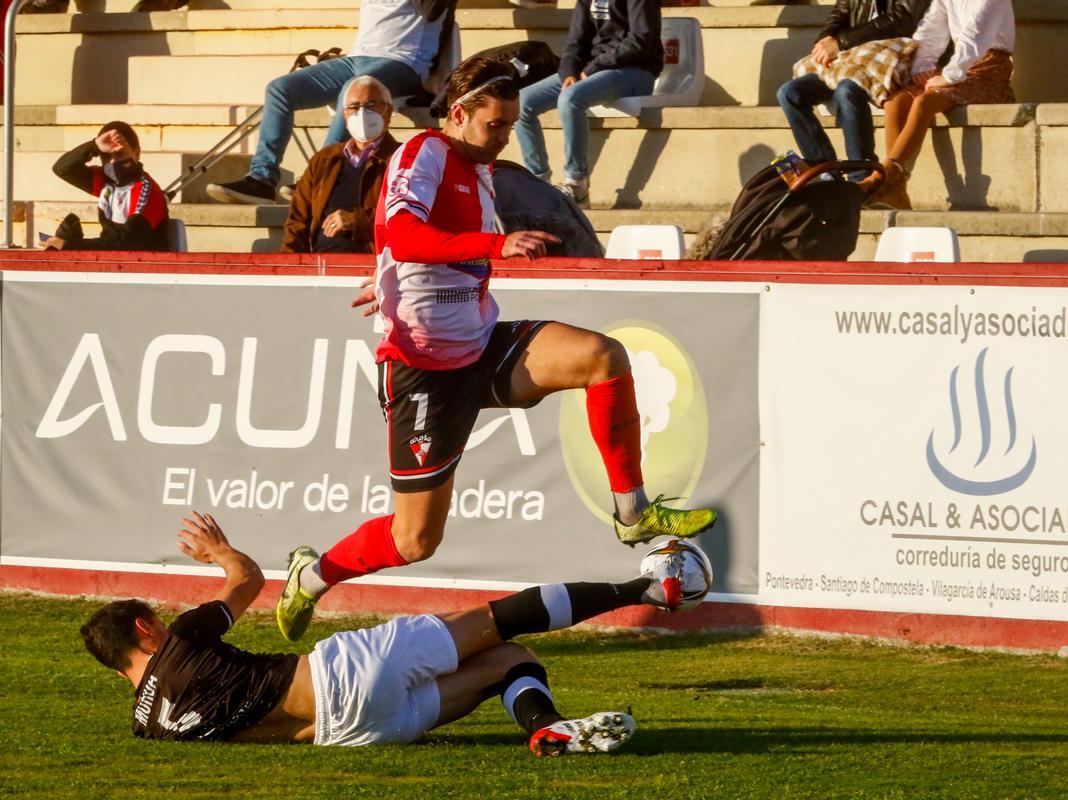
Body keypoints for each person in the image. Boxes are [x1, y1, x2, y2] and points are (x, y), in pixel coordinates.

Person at [274, 55, 716, 642]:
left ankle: (632, 513)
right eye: (496, 124)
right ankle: (312, 575)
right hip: (422, 369)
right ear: (458, 113)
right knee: (415, 542)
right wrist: (489, 245)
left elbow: (410, 248)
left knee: (603, 356)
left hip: (480, 343)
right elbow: (403, 233)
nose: (505, 134)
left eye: (511, 123)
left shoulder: (477, 166)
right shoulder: (424, 152)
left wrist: (397, 270)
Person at [79, 513, 685, 752]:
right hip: (344, 674)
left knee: (509, 660)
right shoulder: (182, 640)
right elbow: (245, 579)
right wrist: (219, 551)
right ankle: (648, 589)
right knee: (498, 621)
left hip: (355, 734)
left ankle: (544, 728)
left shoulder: (147, 726)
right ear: (145, 628)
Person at [206, 0, 452, 205]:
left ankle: (319, 176)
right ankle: (261, 180)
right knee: (280, 89)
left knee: (352, 91)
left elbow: (435, 14)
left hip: (405, 64)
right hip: (356, 58)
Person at [857, 0, 1015, 209]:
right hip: (960, 64)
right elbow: (930, 30)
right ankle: (896, 189)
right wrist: (923, 66)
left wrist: (950, 76)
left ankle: (882, 176)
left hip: (989, 70)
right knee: (896, 101)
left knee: (924, 102)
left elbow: (975, 36)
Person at [514, 0, 663, 207]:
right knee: (522, 102)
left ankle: (577, 184)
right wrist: (569, 72)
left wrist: (592, 69)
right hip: (593, 69)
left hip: (635, 71)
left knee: (570, 98)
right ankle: (539, 184)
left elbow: (639, 41)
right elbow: (576, 41)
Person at [775, 0, 930, 182]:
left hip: (893, 57)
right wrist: (826, 41)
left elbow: (902, 20)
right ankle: (825, 171)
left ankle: (861, 176)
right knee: (789, 93)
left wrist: (840, 42)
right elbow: (840, 14)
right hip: (851, 57)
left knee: (846, 90)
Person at [280, 76, 400, 254]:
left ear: (388, 112)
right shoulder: (324, 159)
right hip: (321, 266)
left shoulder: (404, 159)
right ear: (345, 115)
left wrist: (357, 221)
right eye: (354, 107)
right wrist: (287, 266)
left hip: (374, 268)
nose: (362, 114)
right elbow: (298, 222)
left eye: (371, 105)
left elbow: (407, 220)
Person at [47, 121, 170, 252]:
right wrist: (94, 145)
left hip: (143, 265)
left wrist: (70, 246)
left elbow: (127, 243)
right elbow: (62, 169)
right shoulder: (105, 181)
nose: (112, 162)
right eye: (106, 156)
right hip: (112, 261)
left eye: (120, 154)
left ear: (137, 152)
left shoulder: (146, 190)